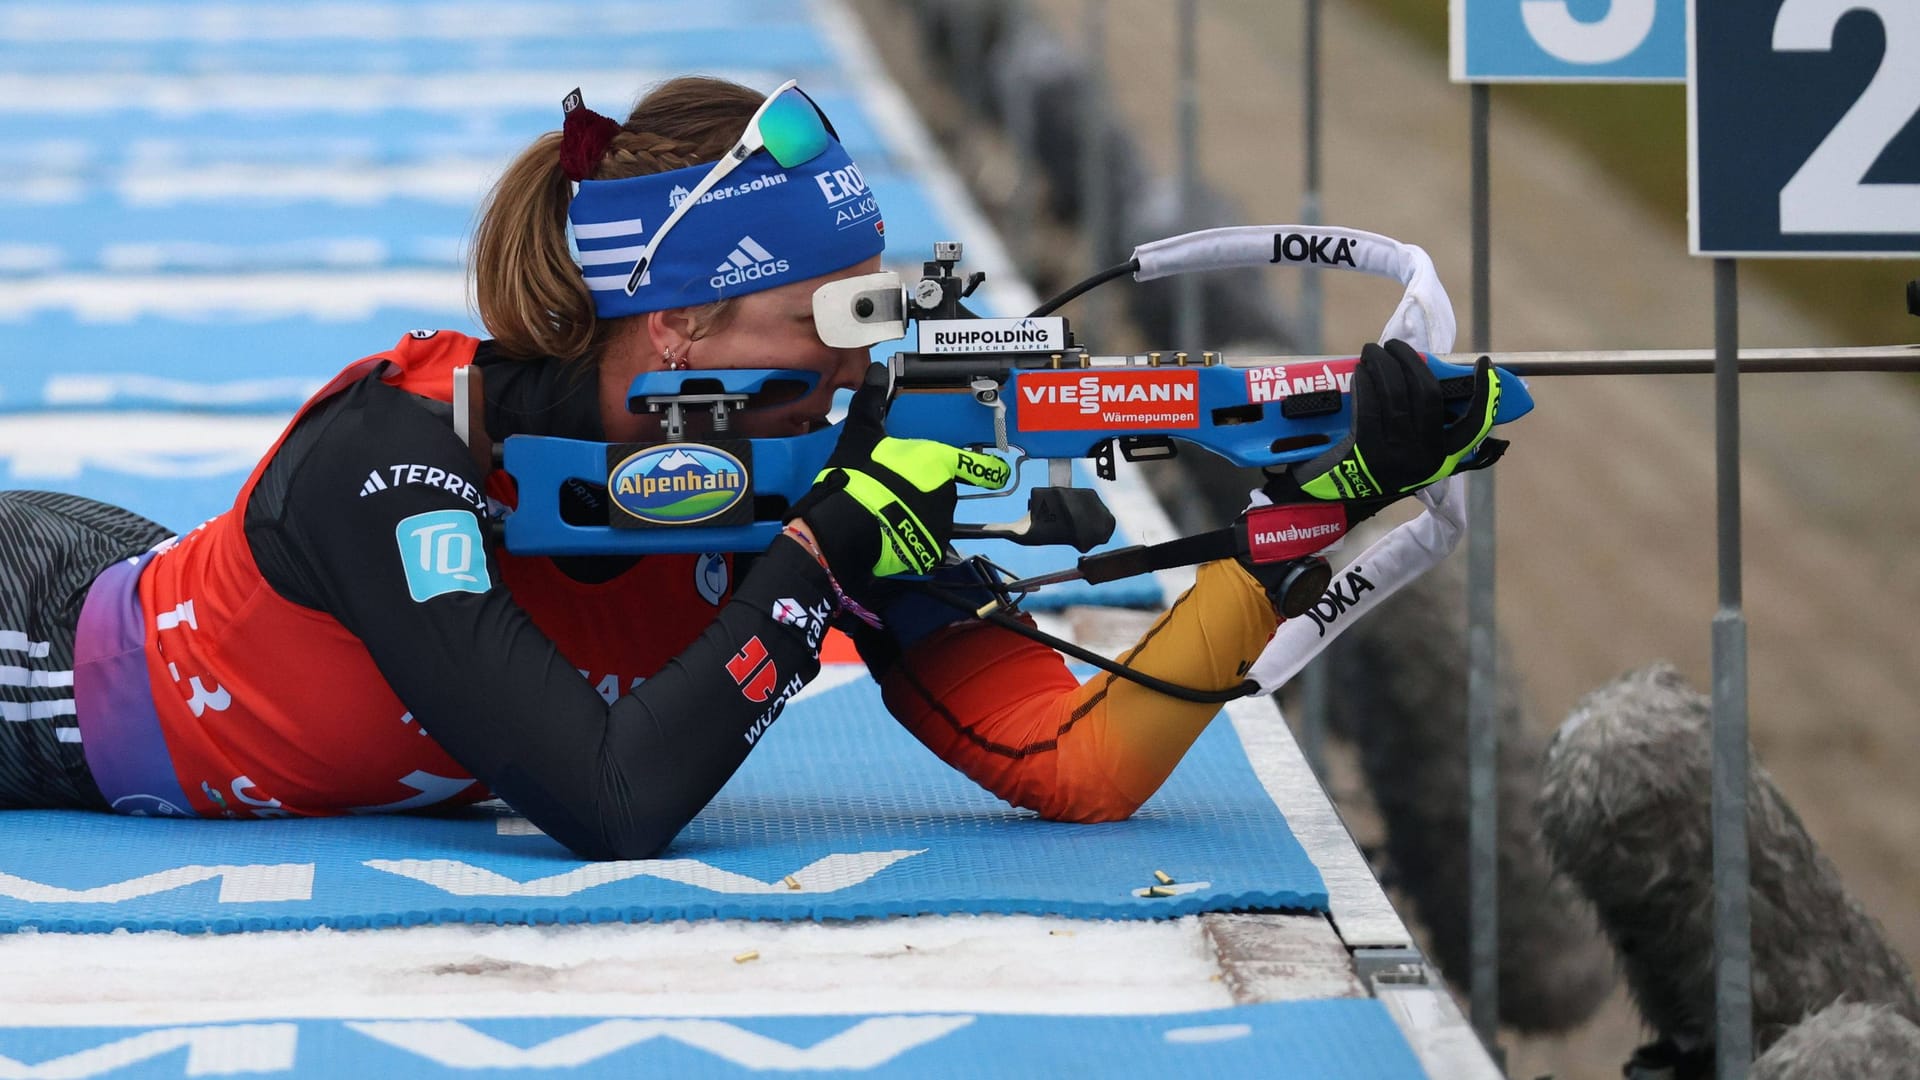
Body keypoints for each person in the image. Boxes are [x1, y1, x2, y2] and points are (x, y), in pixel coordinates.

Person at [0, 76, 1505, 860]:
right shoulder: (393, 458)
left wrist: (1295, 532)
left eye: (877, 310)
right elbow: (609, 802)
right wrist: (831, 556)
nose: (866, 368)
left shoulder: (805, 467)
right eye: (827, 320)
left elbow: (1079, 762)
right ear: (680, 326)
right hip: (41, 665)